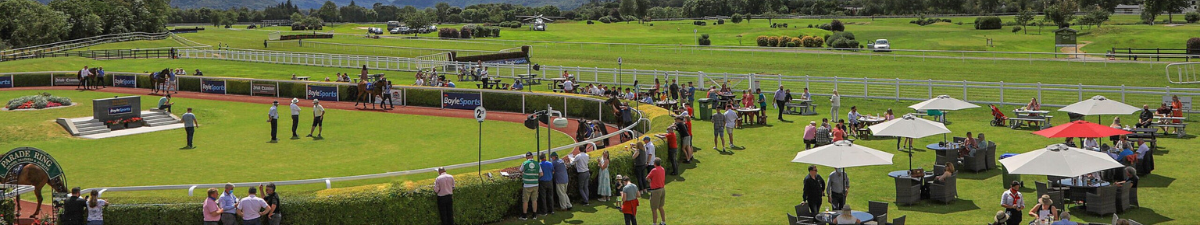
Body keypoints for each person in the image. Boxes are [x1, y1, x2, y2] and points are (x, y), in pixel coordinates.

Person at [519, 152, 541, 220]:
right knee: (534, 200)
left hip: (527, 185)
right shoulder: (537, 163)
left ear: (526, 157)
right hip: (535, 184)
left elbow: (520, 171)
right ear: (532, 156)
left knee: (525, 201)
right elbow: (541, 174)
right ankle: (534, 215)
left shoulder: (525, 163)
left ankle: (524, 216)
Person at [647, 157, 667, 225]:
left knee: (654, 208)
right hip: (662, 189)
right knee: (660, 207)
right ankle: (663, 222)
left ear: (654, 163)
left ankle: (654, 223)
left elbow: (647, 178)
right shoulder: (662, 169)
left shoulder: (654, 170)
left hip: (656, 191)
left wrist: (650, 181)